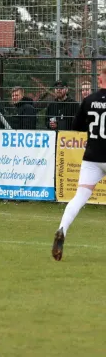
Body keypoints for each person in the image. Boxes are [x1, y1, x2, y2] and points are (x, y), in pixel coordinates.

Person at [52, 68, 106, 261]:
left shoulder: (89, 100)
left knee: (80, 196)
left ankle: (62, 229)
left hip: (92, 157)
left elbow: (76, 127)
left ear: (99, 80)